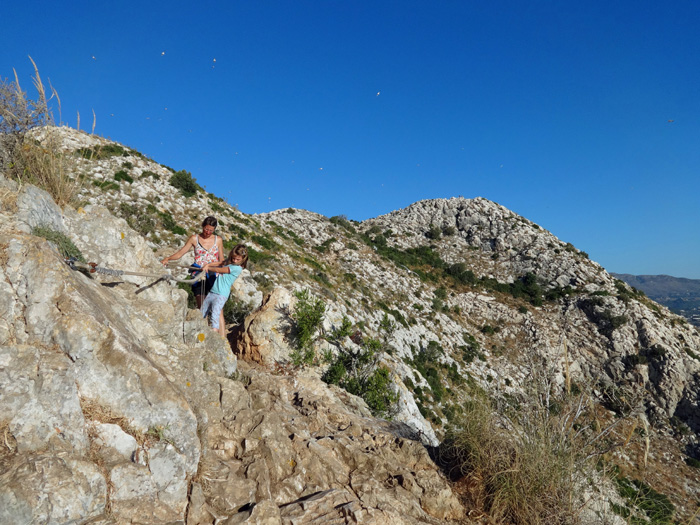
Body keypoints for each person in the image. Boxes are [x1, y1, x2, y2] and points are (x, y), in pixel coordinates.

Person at [161, 216, 226, 327]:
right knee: (202, 308)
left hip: (213, 274)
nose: (208, 232)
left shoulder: (218, 240)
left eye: (211, 230)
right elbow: (180, 253)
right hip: (198, 273)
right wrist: (168, 258)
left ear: (214, 229)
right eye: (206, 229)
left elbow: (222, 261)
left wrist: (209, 265)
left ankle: (222, 338)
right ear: (202, 226)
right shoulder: (194, 239)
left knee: (218, 309)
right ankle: (203, 332)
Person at [200, 244, 249, 337]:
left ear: (243, 259)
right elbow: (220, 263)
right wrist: (207, 265)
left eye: (238, 259)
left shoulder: (237, 268)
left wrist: (208, 268)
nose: (235, 260)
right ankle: (199, 331)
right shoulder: (229, 263)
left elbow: (220, 269)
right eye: (233, 258)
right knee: (203, 311)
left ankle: (214, 336)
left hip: (221, 294)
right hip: (213, 291)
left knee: (215, 314)